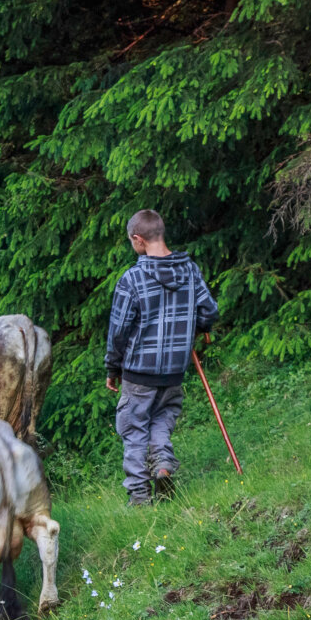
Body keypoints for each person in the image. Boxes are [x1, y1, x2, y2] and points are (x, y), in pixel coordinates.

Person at [105, 209, 219, 506]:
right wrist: (198, 327)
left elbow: (118, 330)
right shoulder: (190, 271)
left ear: (137, 239)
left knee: (133, 429)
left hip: (138, 373)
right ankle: (164, 466)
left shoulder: (132, 279)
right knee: (161, 420)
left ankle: (139, 498)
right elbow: (209, 311)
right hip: (174, 371)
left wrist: (112, 367)